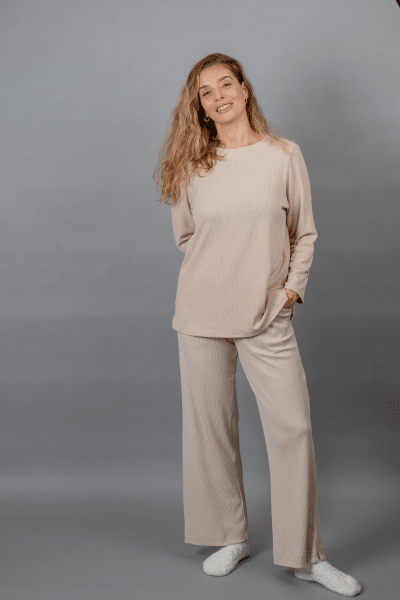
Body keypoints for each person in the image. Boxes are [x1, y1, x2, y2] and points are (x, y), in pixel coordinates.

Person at [153, 53, 362, 597]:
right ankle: (228, 536)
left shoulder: (283, 155)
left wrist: (289, 290)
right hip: (200, 314)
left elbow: (304, 233)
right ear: (200, 107)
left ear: (244, 90)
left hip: (266, 314)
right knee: (210, 430)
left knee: (293, 428)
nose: (218, 95)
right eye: (205, 92)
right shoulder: (192, 165)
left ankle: (306, 556)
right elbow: (186, 236)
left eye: (226, 83)